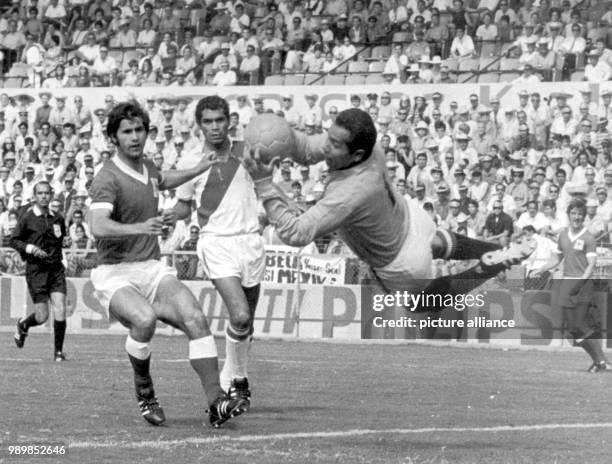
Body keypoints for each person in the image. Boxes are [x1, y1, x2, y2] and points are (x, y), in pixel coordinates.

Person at [243, 108, 535, 307]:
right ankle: (490, 248)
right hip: (413, 218)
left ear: (355, 153)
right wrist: (284, 137)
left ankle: (487, 267)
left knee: (423, 305)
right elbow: (308, 148)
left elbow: (296, 234)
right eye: (328, 137)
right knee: (436, 241)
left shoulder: (350, 192)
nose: (326, 147)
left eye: (333, 144)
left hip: (402, 262)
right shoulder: (368, 149)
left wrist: (264, 182)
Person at [88, 102, 247, 427]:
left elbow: (163, 179)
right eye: (126, 132)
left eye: (139, 130)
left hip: (152, 268)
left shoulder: (146, 166)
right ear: (113, 139)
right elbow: (98, 225)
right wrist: (140, 228)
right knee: (144, 321)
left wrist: (198, 168)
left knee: (196, 318)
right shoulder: (107, 178)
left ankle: (217, 402)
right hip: (115, 273)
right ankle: (145, 389)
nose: (134, 137)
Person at [173, 96, 263, 411]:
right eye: (208, 122)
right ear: (200, 125)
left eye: (219, 120)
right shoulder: (191, 160)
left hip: (250, 241)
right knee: (238, 314)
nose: (214, 127)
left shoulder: (248, 153)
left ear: (230, 121)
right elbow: (184, 204)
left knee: (246, 322)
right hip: (215, 242)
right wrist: (169, 219)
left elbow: (265, 186)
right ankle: (237, 382)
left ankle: (234, 373)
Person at [532, 199, 610, 372]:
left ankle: (602, 361)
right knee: (572, 329)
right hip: (566, 284)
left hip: (582, 285)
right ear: (568, 215)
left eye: (580, 215)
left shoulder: (588, 237)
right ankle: (600, 362)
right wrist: (541, 269)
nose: (576, 217)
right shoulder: (563, 235)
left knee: (579, 325)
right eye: (573, 214)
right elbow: (557, 258)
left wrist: (581, 282)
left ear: (583, 218)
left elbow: (591, 264)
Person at [10, 181, 68, 362]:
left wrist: (65, 242)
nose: (44, 196)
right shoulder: (27, 217)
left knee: (60, 309)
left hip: (56, 269)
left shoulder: (57, 218)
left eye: (47, 193)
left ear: (51, 195)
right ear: (34, 196)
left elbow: (61, 238)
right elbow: (14, 240)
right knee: (42, 316)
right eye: (40, 193)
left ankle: (58, 352)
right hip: (36, 271)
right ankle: (23, 325)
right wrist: (30, 248)